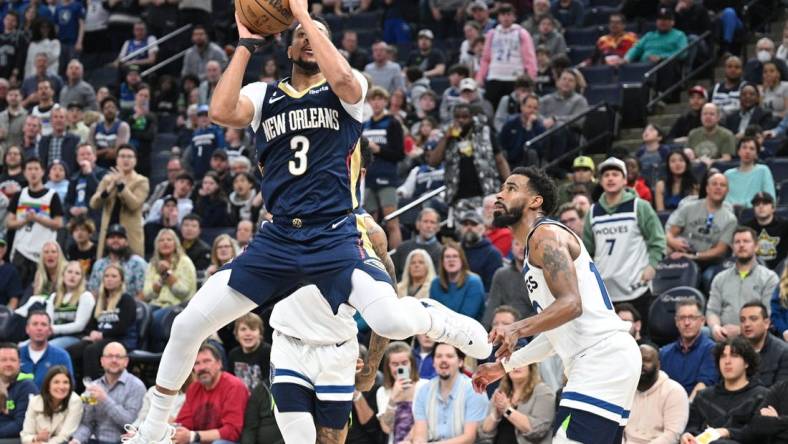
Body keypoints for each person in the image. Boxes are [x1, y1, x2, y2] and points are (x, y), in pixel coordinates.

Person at [129, 11, 491, 444]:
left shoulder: (346, 90)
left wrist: (302, 14)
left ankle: (437, 319)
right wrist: (245, 43)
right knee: (187, 325)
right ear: (286, 47)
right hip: (279, 237)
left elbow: (343, 78)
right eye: (299, 36)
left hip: (333, 233)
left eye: (317, 36)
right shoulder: (265, 96)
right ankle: (153, 425)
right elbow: (222, 112)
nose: (306, 40)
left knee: (392, 320)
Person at [472, 166, 641, 443]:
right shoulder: (535, 246)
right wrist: (502, 367)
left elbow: (571, 304)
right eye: (501, 188)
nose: (499, 195)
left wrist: (517, 328)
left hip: (601, 357)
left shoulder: (544, 235)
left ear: (535, 201)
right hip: (602, 358)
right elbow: (555, 334)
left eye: (511, 188)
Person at [583, 157, 666, 332]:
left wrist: (652, 266)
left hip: (635, 287)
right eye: (606, 175)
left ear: (624, 179)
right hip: (605, 290)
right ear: (600, 180)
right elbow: (587, 251)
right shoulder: (592, 212)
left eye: (615, 174)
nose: (610, 178)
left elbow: (658, 240)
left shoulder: (640, 206)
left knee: (638, 339)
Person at [680, 337, 768, 444]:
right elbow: (692, 428)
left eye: (734, 356)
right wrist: (687, 436)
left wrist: (728, 432)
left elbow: (759, 435)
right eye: (723, 356)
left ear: (746, 363)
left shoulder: (761, 396)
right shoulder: (703, 396)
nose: (727, 361)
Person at [428, 103, 510, 216]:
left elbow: (500, 160)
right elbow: (433, 162)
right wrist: (446, 138)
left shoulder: (485, 132)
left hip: (486, 192)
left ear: (472, 117)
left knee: (489, 228)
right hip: (459, 197)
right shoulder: (448, 137)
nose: (461, 120)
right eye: (457, 117)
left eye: (465, 117)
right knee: (464, 231)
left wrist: (509, 185)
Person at [665, 172, 737, 288]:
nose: (718, 187)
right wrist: (672, 242)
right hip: (683, 257)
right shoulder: (688, 207)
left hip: (711, 263)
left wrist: (695, 256)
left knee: (709, 278)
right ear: (707, 189)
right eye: (714, 184)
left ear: (727, 191)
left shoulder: (730, 219)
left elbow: (720, 250)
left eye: (722, 185)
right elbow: (670, 233)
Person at [707, 226, 779, 341]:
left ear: (756, 247)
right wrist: (715, 328)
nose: (741, 245)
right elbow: (712, 310)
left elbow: (769, 315)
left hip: (756, 337)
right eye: (737, 242)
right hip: (723, 336)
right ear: (732, 247)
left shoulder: (769, 278)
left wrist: (740, 330)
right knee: (701, 332)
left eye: (746, 241)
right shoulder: (720, 278)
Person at [68, 264, 137, 380]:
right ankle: (75, 386)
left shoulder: (126, 300)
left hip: (121, 339)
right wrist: (90, 334)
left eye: (114, 276)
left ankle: (93, 389)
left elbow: (123, 327)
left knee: (91, 350)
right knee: (73, 350)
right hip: (101, 339)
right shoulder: (101, 302)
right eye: (106, 276)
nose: (109, 279)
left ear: (121, 281)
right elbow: (90, 326)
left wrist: (102, 335)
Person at [409, 343, 489, 443]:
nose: (443, 360)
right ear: (433, 362)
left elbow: (469, 438)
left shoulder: (474, 390)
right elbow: (420, 436)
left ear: (460, 362)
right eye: (438, 356)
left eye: (449, 356)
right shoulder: (424, 391)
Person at [172, 343, 249, 444]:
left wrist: (193, 436)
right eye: (197, 363)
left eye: (207, 361)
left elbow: (231, 431)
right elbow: (184, 423)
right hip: (199, 439)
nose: (202, 367)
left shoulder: (234, 386)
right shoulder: (194, 388)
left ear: (219, 364)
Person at [6, 157, 64, 289]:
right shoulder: (19, 195)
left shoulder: (52, 195)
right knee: (17, 290)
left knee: (38, 290)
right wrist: (25, 220)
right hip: (20, 250)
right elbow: (9, 223)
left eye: (36, 169)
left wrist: (38, 218)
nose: (33, 172)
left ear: (43, 172)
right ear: (25, 172)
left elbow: (59, 223)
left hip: (43, 253)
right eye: (29, 169)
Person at [71, 342, 146, 444]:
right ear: (102, 361)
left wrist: (104, 399)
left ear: (126, 361)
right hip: (94, 440)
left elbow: (130, 423)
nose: (114, 360)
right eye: (109, 356)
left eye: (118, 357)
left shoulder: (137, 386)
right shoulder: (92, 386)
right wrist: (77, 439)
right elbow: (87, 423)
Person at [89, 144, 149, 258]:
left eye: (130, 157)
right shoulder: (107, 179)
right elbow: (93, 204)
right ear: (116, 160)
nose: (126, 159)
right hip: (108, 233)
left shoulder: (142, 181)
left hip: (129, 235)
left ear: (135, 160)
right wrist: (109, 188)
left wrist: (121, 185)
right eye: (122, 156)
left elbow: (134, 205)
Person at [362, 87, 404, 248]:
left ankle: (397, 259)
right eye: (373, 99)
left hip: (386, 177)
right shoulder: (365, 125)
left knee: (391, 221)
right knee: (370, 224)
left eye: (380, 99)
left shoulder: (393, 123)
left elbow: (399, 153)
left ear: (386, 102)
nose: (376, 102)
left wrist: (378, 149)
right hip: (368, 177)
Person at [623, 343, 689, 444]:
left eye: (647, 360)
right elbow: (617, 428)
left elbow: (672, 435)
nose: (641, 364)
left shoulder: (675, 391)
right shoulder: (626, 389)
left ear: (658, 365)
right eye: (637, 360)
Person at [477, 362, 556, 444]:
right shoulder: (500, 392)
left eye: (521, 362)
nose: (516, 366)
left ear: (531, 367)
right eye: (512, 363)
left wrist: (507, 410)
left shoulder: (543, 391)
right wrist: (495, 415)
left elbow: (538, 430)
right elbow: (483, 433)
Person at [475, 4, 537, 108]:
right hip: (495, 76)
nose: (506, 18)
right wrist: (480, 77)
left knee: (512, 107)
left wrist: (531, 77)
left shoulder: (522, 33)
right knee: (491, 106)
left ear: (514, 17)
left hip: (514, 77)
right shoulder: (492, 34)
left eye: (509, 15)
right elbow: (486, 58)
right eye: (503, 15)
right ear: (499, 17)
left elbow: (529, 58)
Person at [659, 299, 718, 399]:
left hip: (697, 408)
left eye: (692, 317)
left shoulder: (712, 349)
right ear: (676, 322)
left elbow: (704, 385)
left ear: (702, 321)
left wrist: (685, 409)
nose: (686, 323)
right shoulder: (664, 353)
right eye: (682, 318)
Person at [20, 365, 83, 444]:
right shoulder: (35, 402)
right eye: (56, 382)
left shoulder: (75, 401)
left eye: (66, 382)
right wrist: (36, 438)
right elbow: (25, 436)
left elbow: (64, 437)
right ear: (48, 385)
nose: (61, 386)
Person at [375, 341, 422, 444]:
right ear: (388, 366)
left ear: (412, 363)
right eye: (395, 364)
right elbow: (387, 428)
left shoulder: (424, 386)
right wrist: (393, 398)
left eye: (404, 363)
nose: (400, 368)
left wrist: (409, 440)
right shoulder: (382, 392)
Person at [483, 238, 533, 329]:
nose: (521, 248)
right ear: (511, 248)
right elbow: (492, 306)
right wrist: (483, 332)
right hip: (505, 326)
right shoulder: (501, 274)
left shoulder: (540, 275)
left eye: (525, 244)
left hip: (532, 327)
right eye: (517, 244)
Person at [429, 241, 486, 321]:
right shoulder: (435, 283)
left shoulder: (474, 282)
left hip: (468, 330)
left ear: (462, 260)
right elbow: (432, 313)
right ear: (442, 261)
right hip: (440, 329)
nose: (451, 260)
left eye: (455, 256)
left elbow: (467, 317)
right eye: (447, 257)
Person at [87, 224, 147, 299]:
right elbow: (93, 292)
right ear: (106, 241)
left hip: (131, 306)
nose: (115, 240)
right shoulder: (99, 264)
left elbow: (143, 293)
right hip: (102, 306)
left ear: (126, 242)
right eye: (112, 237)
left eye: (120, 237)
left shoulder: (138, 263)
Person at [47, 261, 96, 349]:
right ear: (63, 275)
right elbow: (48, 322)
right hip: (53, 336)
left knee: (48, 348)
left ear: (81, 278)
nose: (72, 276)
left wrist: (52, 329)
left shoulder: (85, 296)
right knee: (24, 347)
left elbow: (79, 326)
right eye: (69, 272)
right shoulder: (54, 297)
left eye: (77, 273)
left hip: (76, 337)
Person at [19, 311, 74, 389]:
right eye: (35, 324)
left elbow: (69, 385)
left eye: (43, 324)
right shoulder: (16, 354)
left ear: (50, 330)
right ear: (27, 329)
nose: (39, 328)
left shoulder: (61, 356)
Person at [739, 301, 788, 387]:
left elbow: (781, 393)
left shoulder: (783, 352)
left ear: (766, 323)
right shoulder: (733, 350)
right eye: (743, 320)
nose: (746, 324)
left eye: (753, 319)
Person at [0, 343, 39, 439]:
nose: (8, 364)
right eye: (3, 360)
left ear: (19, 362)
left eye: (13, 360)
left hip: (15, 439)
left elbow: (21, 424)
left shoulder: (27, 386)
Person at [390, 208, 442, 279]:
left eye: (432, 222)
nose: (428, 226)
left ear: (438, 227)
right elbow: (393, 275)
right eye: (425, 221)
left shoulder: (442, 252)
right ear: (418, 224)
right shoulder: (403, 248)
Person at [724, 138, 776, 209]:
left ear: (756, 154)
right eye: (744, 147)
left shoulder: (763, 170)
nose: (747, 151)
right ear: (738, 151)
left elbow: (770, 199)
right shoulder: (728, 174)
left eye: (752, 149)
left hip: (755, 213)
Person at [458, 211, 502, 292]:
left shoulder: (492, 254)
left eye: (474, 224)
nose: (469, 227)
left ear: (483, 228)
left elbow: (492, 289)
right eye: (465, 224)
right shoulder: (455, 251)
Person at [227, 313, 270, 392]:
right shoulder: (233, 354)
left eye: (253, 329)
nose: (248, 333)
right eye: (243, 329)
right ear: (236, 333)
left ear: (260, 333)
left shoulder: (268, 352)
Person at [499, 94, 545, 168]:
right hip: (510, 160)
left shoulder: (539, 127)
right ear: (522, 107)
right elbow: (501, 143)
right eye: (529, 107)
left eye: (535, 108)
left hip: (529, 163)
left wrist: (529, 129)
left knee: (532, 153)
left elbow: (540, 150)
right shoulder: (510, 123)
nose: (532, 110)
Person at [745, 191, 788, 269]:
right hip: (754, 271)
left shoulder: (785, 226)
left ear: (773, 208)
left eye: (765, 203)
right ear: (754, 209)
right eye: (757, 204)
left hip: (781, 271)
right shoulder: (746, 228)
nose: (761, 206)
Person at [88, 96, 130, 169]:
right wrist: (107, 150)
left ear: (117, 110)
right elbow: (90, 153)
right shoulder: (94, 127)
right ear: (102, 111)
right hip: (96, 167)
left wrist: (98, 153)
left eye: (112, 107)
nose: (110, 110)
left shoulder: (123, 126)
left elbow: (118, 153)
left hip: (116, 167)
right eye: (106, 108)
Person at [0, 237, 22, 309]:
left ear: (5, 249)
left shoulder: (11, 271)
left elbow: (14, 300)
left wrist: (6, 317)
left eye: (1, 246)